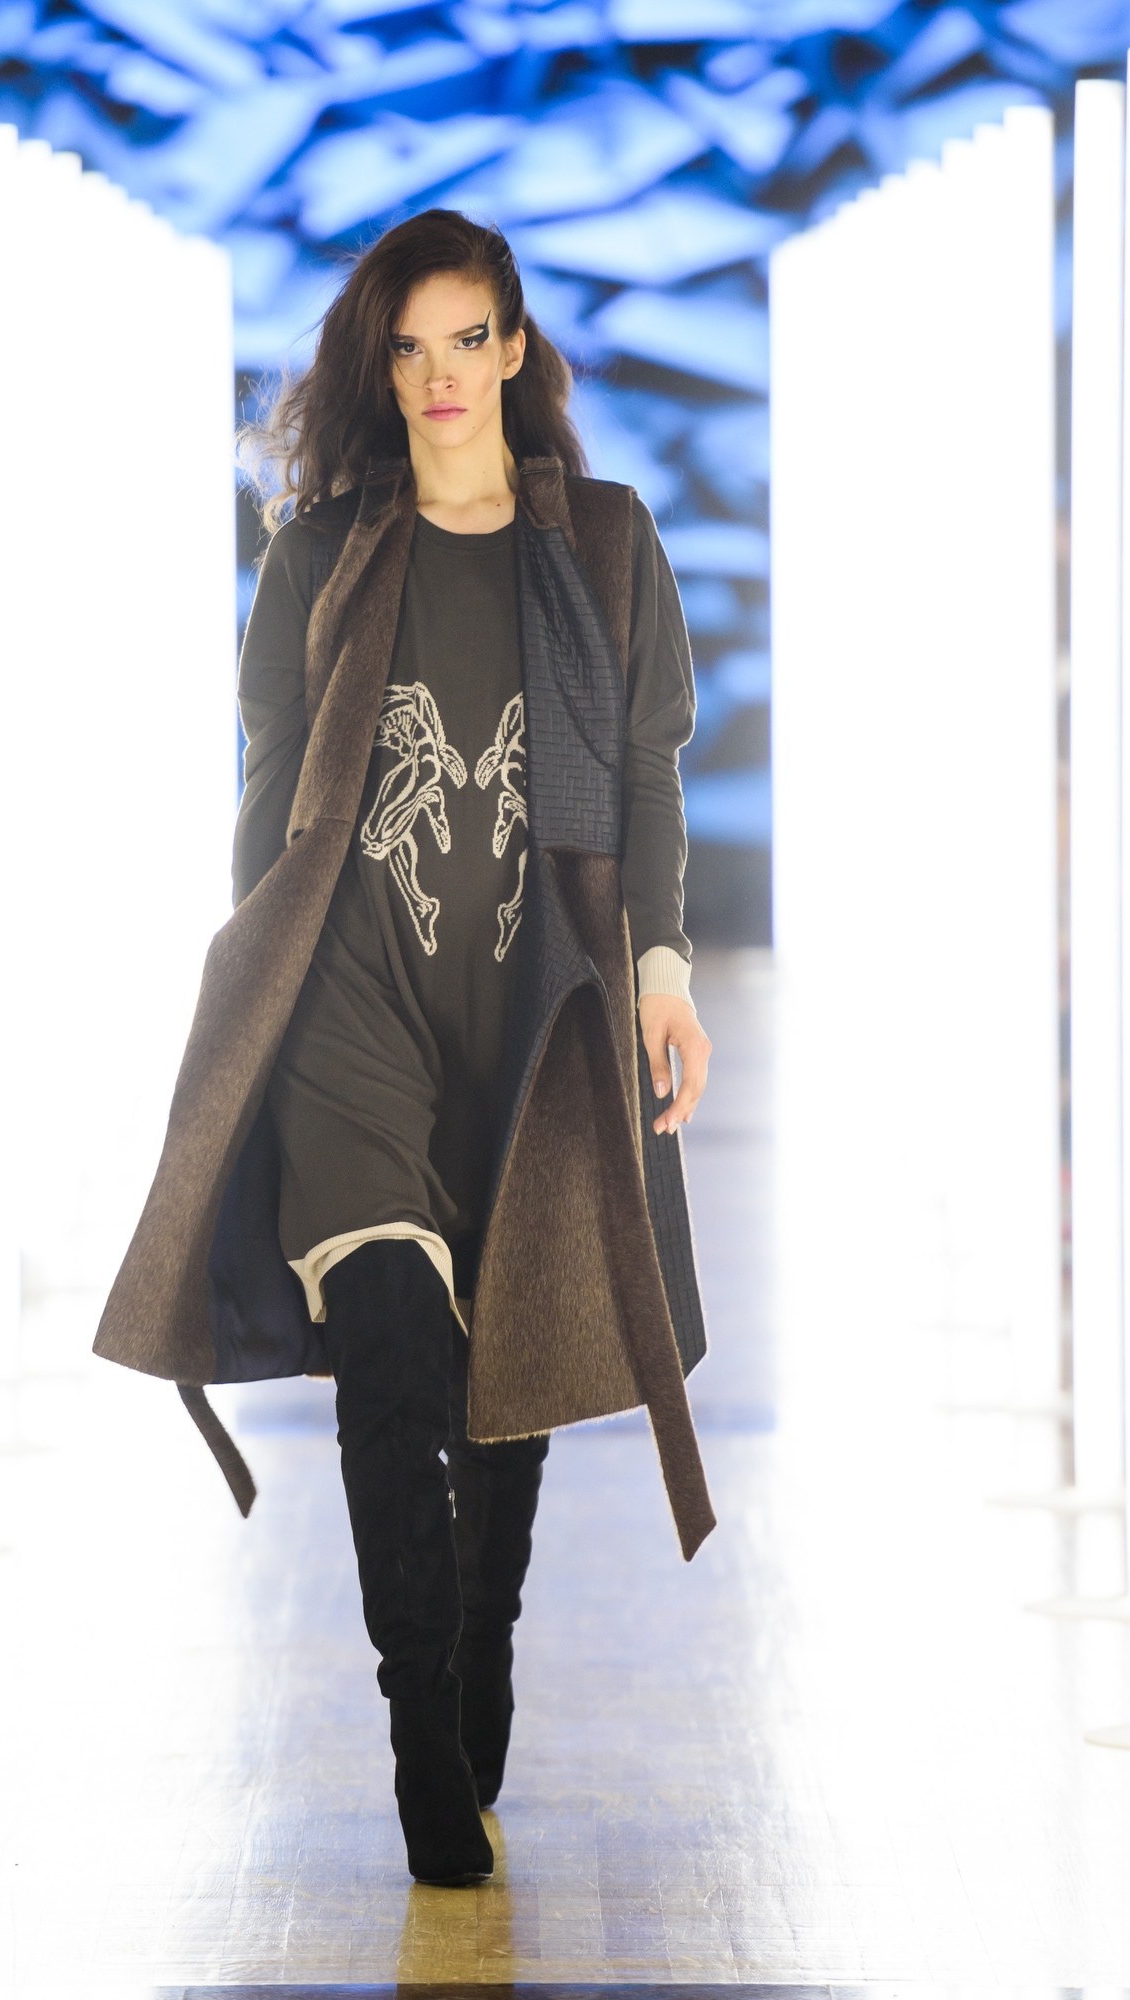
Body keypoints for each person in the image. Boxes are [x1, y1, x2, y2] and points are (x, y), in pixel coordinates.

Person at [227, 208, 713, 1887]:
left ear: (512, 347)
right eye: (408, 347)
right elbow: (269, 798)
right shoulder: (319, 558)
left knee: (503, 1383)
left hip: (534, 1009)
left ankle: (480, 1640)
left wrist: (662, 968)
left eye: (465, 340)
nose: (438, 376)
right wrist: (245, 1009)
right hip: (350, 1009)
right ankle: (422, 1740)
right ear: (383, 364)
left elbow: (646, 773)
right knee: (390, 1357)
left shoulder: (607, 544)